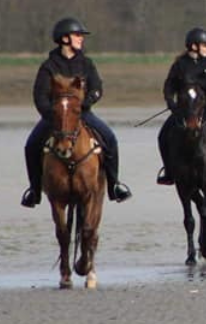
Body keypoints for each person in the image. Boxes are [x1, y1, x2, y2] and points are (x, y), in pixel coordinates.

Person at [20, 17, 132, 207]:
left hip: (82, 114)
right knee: (31, 145)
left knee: (110, 138)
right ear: (65, 39)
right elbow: (40, 96)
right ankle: (34, 190)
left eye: (81, 36)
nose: (81, 39)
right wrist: (52, 115)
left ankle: (115, 185)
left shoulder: (87, 64)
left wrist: (85, 104)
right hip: (55, 118)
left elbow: (97, 88)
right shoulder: (49, 66)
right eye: (77, 35)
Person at [156, 27, 206, 185]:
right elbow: (169, 87)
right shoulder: (179, 65)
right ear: (194, 46)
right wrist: (172, 104)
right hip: (183, 111)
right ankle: (169, 171)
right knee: (163, 135)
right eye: (205, 45)